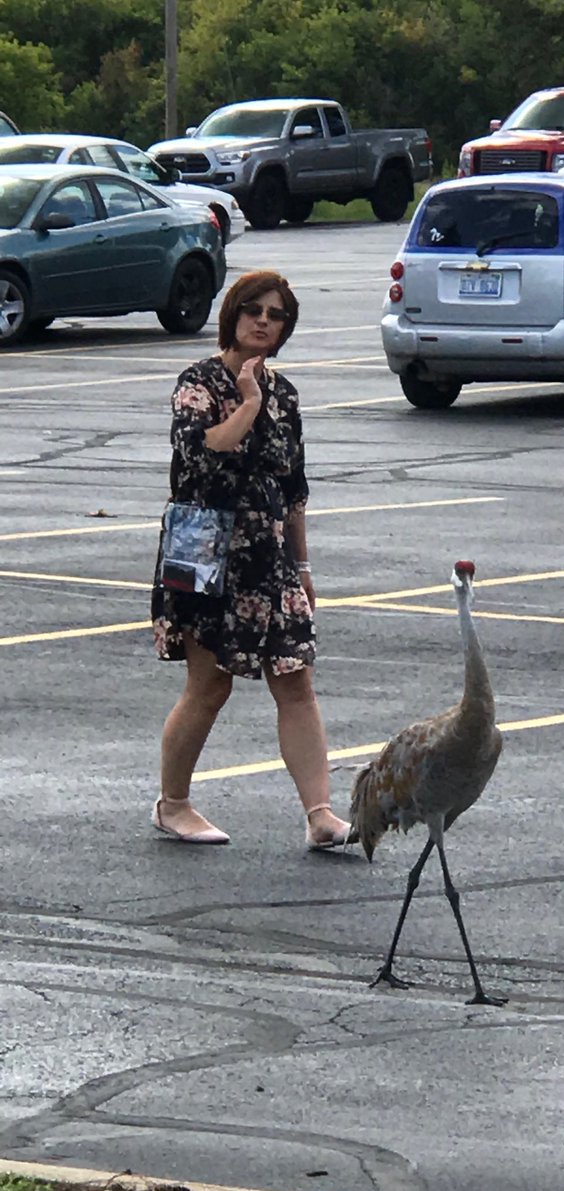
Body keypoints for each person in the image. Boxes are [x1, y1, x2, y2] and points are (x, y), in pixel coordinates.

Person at [150, 269, 354, 850]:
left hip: (268, 553)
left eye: (276, 314)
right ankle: (174, 805)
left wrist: (304, 567)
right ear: (232, 315)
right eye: (254, 310)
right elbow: (206, 450)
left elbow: (294, 491)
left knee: (296, 679)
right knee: (209, 684)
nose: (264, 321)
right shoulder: (198, 384)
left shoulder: (285, 395)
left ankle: (320, 814)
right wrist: (248, 402)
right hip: (204, 550)